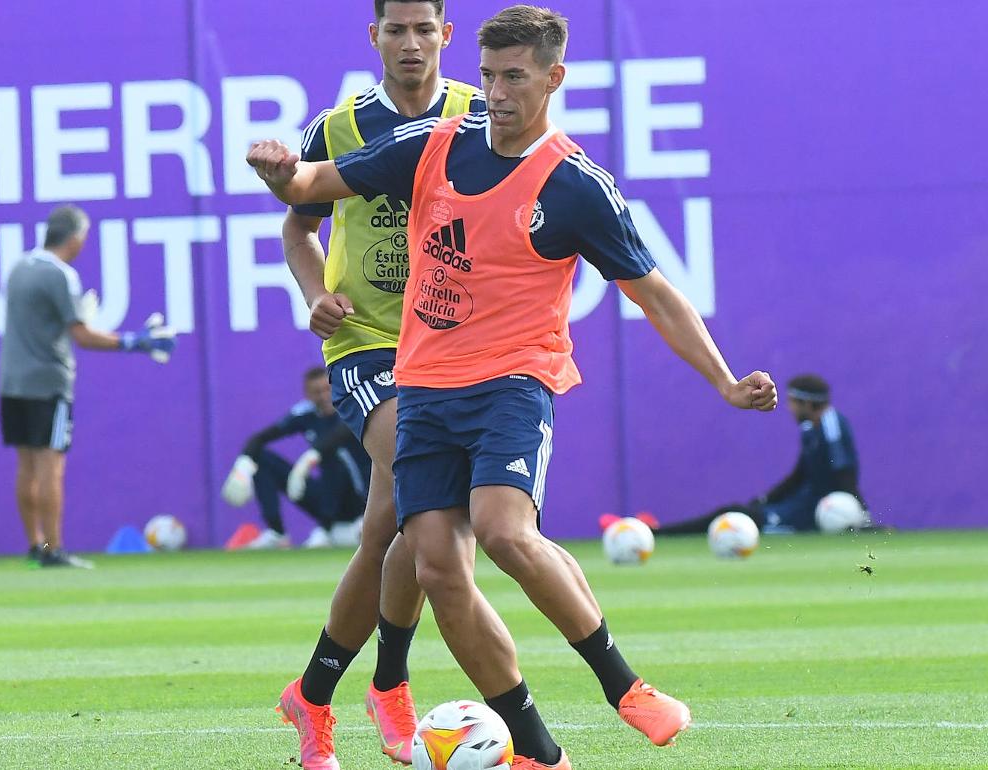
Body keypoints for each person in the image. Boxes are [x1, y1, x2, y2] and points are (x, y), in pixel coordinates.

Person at [246, 6, 778, 768]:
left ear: (553, 79)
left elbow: (656, 292)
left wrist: (725, 382)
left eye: (513, 78)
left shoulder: (574, 185)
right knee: (434, 563)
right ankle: (533, 749)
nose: (495, 93)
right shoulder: (430, 142)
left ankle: (624, 687)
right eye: (490, 78)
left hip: (511, 382)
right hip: (413, 376)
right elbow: (310, 188)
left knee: (499, 532)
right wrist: (279, 174)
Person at [245, 2, 486, 768]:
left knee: (393, 521)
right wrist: (315, 291)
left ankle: (314, 696)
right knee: (424, 500)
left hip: (454, 346)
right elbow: (298, 226)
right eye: (396, 29)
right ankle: (388, 684)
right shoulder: (339, 127)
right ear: (374, 38)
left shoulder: (482, 115)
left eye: (424, 28)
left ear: (446, 35)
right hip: (366, 344)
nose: (411, 42)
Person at [0, 204, 176, 569]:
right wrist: (135, 342)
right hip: (48, 382)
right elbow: (82, 336)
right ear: (76, 238)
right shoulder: (61, 275)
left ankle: (35, 545)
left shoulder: (20, 267)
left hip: (12, 381)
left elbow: (47, 324)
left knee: (27, 465)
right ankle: (54, 549)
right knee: (51, 467)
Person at [650, 374, 868, 536]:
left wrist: (859, 514)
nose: (790, 408)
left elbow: (844, 471)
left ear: (808, 404)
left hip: (814, 512)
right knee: (739, 511)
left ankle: (660, 534)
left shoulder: (831, 425)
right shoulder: (810, 430)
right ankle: (660, 532)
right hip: (800, 504)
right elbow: (799, 475)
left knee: (737, 515)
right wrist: (765, 499)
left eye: (792, 402)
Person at [220, 366, 373, 549]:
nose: (324, 397)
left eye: (327, 390)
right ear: (307, 394)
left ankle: (324, 530)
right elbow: (259, 439)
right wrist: (243, 466)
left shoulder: (350, 408)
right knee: (261, 458)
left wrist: (308, 460)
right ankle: (277, 533)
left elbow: (337, 437)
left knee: (333, 458)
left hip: (359, 500)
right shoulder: (306, 414)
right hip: (326, 498)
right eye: (317, 392)